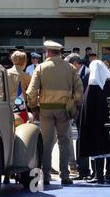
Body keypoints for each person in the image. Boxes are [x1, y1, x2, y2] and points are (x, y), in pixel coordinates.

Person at [26, 40, 83, 186]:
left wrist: (34, 108)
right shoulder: (70, 68)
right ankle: (65, 175)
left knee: (46, 142)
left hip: (45, 110)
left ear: (48, 52)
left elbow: (31, 92)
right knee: (64, 142)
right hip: (64, 110)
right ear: (59, 52)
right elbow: (79, 89)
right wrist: (75, 106)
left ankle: (45, 176)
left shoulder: (41, 68)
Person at [79, 60, 110, 184]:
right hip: (109, 122)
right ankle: (109, 176)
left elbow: (86, 108)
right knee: (109, 148)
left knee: (97, 149)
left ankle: (99, 176)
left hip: (95, 125)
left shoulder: (91, 87)